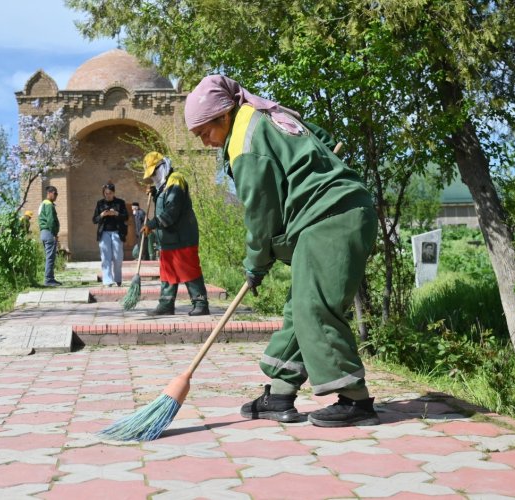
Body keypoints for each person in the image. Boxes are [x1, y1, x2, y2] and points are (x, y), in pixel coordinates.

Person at [184, 75, 379, 427]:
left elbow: (261, 213)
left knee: (314, 307)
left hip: (331, 216)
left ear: (223, 115)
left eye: (204, 132)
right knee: (300, 306)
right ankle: (279, 393)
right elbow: (324, 139)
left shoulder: (244, 141)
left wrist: (255, 262)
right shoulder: (264, 116)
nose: (206, 141)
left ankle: (355, 401)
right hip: (332, 215)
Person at [141, 152, 210, 316]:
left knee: (189, 270)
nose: (153, 178)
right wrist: (155, 192)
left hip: (182, 236)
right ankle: (166, 304)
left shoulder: (176, 180)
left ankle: (201, 303)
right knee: (167, 271)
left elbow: (172, 211)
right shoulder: (164, 185)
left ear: (162, 167)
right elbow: (164, 200)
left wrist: (151, 224)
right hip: (168, 239)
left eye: (154, 173)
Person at [92, 183, 128, 287]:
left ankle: (117, 278)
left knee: (118, 256)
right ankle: (107, 280)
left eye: (110, 193)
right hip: (104, 233)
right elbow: (94, 219)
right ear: (103, 193)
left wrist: (116, 214)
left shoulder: (120, 203)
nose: (108, 195)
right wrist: (102, 215)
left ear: (114, 192)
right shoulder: (100, 203)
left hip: (117, 232)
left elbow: (126, 217)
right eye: (106, 193)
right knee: (105, 257)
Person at [38, 186, 61, 287]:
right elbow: (51, 221)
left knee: (49, 257)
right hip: (49, 232)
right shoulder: (48, 204)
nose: (56, 196)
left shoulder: (43, 204)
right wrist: (55, 233)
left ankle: (50, 278)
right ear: (50, 193)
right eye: (55, 193)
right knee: (50, 257)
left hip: (44, 232)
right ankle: (48, 280)